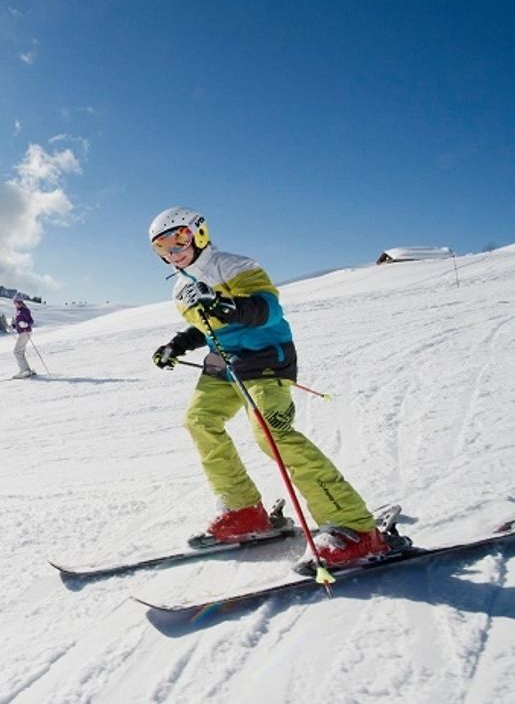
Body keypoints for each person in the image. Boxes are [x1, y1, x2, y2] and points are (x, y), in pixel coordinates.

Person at [147, 206, 388, 571]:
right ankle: (245, 511)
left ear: (197, 233)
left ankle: (354, 526)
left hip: (264, 358)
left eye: (177, 238)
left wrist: (225, 303)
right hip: (224, 362)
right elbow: (207, 326)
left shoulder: (234, 266)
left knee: (270, 432)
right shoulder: (182, 289)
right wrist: (177, 345)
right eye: (161, 246)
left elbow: (266, 309)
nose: (172, 250)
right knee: (199, 420)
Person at [9, 292, 36, 379]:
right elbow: (17, 322)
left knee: (17, 351)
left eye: (15, 302)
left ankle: (24, 371)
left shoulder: (25, 310)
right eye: (14, 302)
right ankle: (26, 370)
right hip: (22, 332)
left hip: (26, 332)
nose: (14, 304)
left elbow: (31, 322)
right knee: (20, 352)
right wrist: (12, 326)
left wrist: (26, 324)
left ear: (19, 302)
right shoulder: (18, 311)